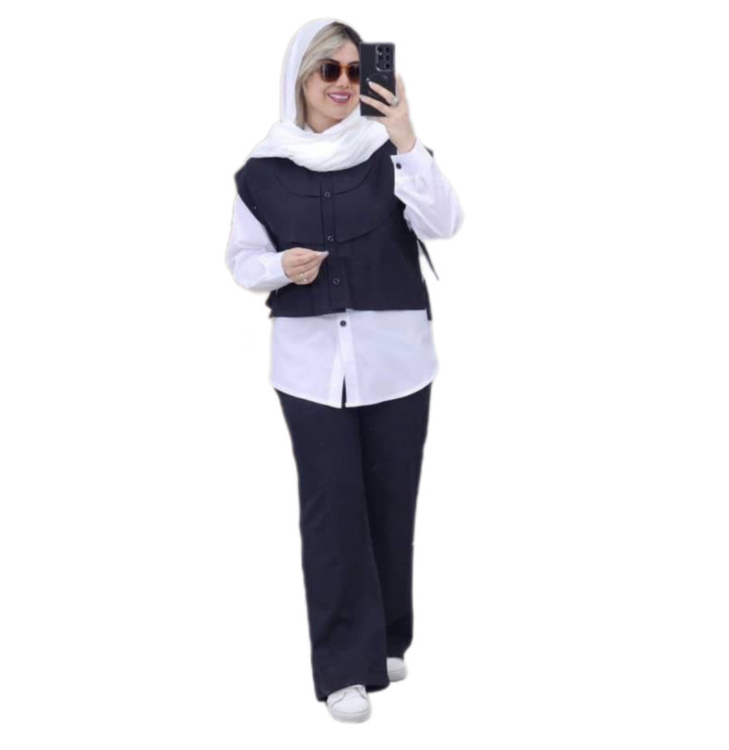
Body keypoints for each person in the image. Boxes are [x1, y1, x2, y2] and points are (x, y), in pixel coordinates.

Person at [224, 18, 463, 722]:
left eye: (357, 71)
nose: (345, 84)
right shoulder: (261, 169)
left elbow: (446, 222)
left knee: (391, 499)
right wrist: (279, 266)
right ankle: (342, 669)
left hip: (398, 360)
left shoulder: (391, 151)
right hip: (308, 367)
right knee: (332, 509)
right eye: (330, 70)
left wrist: (407, 137)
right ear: (301, 76)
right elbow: (241, 260)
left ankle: (386, 638)